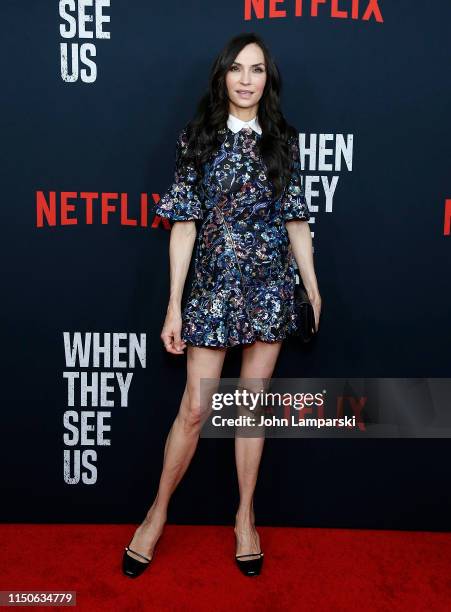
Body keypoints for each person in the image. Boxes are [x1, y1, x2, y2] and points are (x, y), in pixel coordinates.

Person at [122, 32, 322, 579]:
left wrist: (312, 284)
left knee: (250, 407)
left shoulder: (282, 138)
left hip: (269, 289)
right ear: (222, 76)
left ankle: (244, 518)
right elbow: (183, 226)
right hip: (211, 291)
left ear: (267, 79)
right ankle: (156, 514)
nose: (246, 79)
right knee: (195, 408)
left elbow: (296, 220)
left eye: (256, 69)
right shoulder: (199, 138)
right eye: (236, 69)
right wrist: (173, 306)